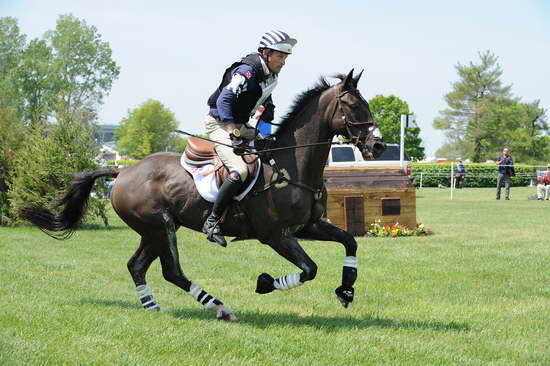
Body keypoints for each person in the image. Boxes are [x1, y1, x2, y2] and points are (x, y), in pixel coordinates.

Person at [202, 30, 297, 247]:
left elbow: (265, 99)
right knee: (241, 170)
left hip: (242, 125)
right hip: (219, 123)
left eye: (285, 58)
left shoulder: (271, 76)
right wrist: (233, 132)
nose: (283, 62)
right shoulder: (246, 71)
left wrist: (267, 118)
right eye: (280, 57)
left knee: (271, 156)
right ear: (265, 53)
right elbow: (224, 100)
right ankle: (213, 220)